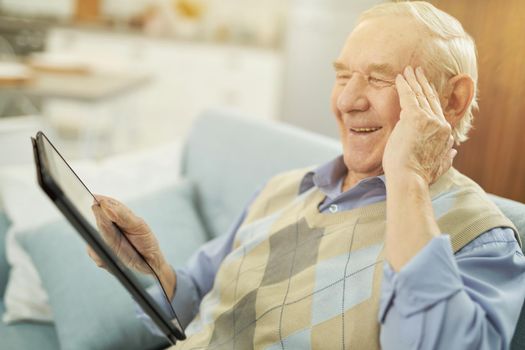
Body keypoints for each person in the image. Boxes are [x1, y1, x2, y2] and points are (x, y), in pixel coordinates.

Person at [88, 1, 525, 349]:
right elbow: (194, 304)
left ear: (452, 100)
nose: (348, 100)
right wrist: (149, 268)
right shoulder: (284, 189)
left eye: (378, 78)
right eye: (342, 76)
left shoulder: (481, 237)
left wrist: (408, 177)